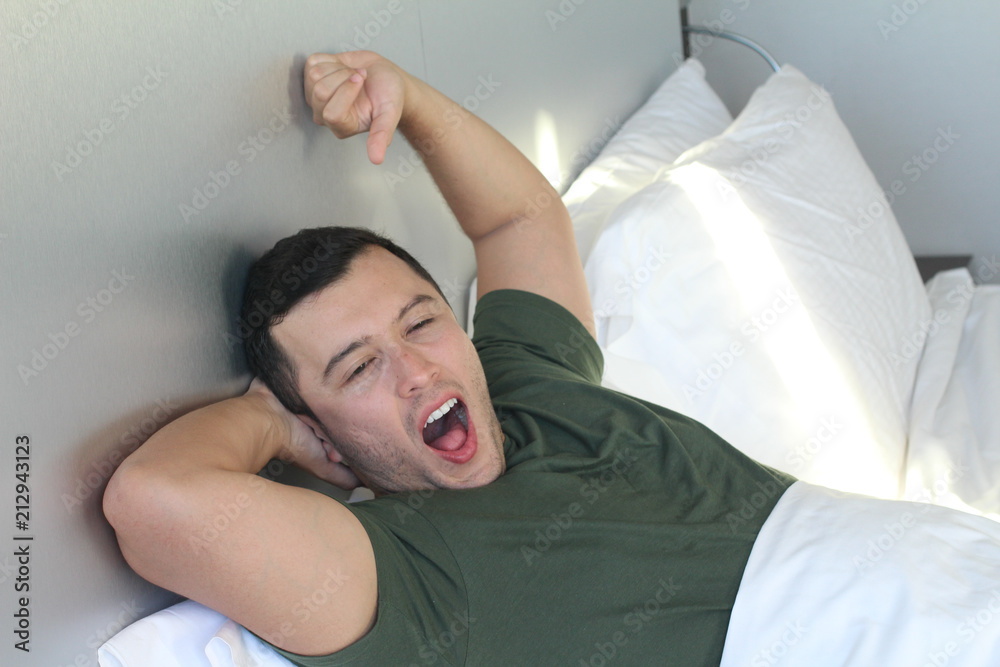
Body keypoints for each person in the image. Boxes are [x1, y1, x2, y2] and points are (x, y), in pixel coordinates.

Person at [103, 50, 793, 665]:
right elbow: (152, 499)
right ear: (325, 431)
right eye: (358, 368)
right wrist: (272, 423)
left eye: (421, 321)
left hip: (860, 553)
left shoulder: (524, 379)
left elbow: (520, 218)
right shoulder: (408, 575)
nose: (418, 372)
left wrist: (405, 95)